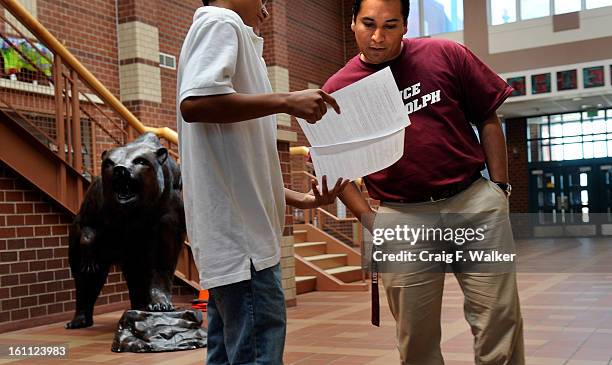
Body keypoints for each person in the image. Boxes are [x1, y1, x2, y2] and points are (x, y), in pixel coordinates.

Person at [323, 0, 525, 364]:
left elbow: (488, 118)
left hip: (473, 203)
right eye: (368, 24)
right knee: (415, 337)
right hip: (401, 217)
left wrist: (500, 189)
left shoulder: (445, 54)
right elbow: (332, 167)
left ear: (405, 25)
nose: (378, 36)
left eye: (390, 25)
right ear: (352, 22)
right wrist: (371, 220)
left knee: (499, 319)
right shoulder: (337, 89)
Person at [176, 1, 348, 364]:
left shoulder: (225, 31)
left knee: (228, 355)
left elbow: (237, 166)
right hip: (244, 248)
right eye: (264, 0)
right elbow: (194, 103)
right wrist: (287, 101)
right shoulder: (220, 21)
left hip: (234, 245)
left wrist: (300, 199)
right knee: (257, 355)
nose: (267, 11)